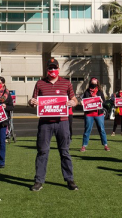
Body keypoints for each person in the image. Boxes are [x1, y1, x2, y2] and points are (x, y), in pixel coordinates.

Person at [29, 58, 78, 191]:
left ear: (58, 69)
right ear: (47, 69)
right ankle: (39, 181)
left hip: (62, 122)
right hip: (45, 123)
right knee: (42, 152)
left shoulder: (66, 83)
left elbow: (74, 99)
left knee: (65, 152)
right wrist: (31, 102)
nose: (52, 70)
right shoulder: (40, 83)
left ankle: (70, 180)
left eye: (54, 68)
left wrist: (73, 102)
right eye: (50, 68)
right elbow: (33, 101)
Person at [80, 77, 110, 152]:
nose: (94, 84)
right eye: (92, 82)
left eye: (95, 82)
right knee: (87, 130)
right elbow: (83, 100)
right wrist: (81, 102)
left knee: (102, 129)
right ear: (90, 82)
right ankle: (84, 146)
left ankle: (105, 145)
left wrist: (101, 100)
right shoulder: (86, 92)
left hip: (98, 114)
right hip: (89, 114)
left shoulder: (99, 92)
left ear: (97, 83)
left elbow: (103, 101)